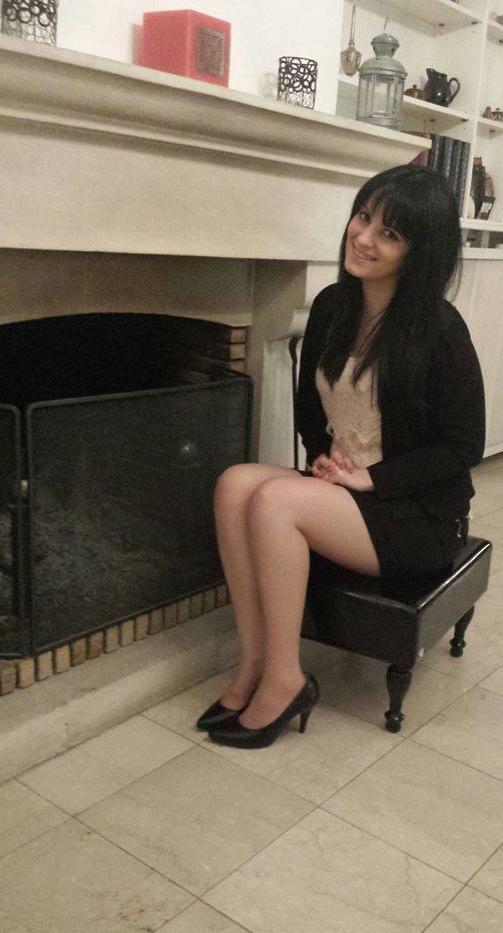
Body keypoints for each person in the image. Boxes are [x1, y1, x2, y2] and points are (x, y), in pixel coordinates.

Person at [197, 164, 485, 749]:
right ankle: (254, 660)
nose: (364, 237)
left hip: (416, 513)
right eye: (363, 217)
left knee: (275, 501)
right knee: (233, 485)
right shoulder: (332, 307)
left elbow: (463, 447)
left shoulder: (440, 331)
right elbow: (312, 410)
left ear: (419, 252)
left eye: (389, 233)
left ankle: (287, 678)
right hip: (347, 490)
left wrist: (371, 479)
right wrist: (324, 459)